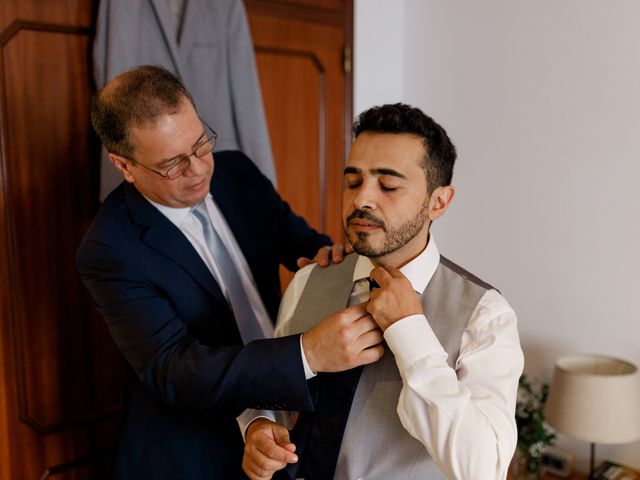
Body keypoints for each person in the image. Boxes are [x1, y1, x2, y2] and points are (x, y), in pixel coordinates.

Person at [76, 65, 383, 479]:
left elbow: (300, 242)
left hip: (288, 420)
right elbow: (175, 368)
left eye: (201, 143)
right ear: (124, 166)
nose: (199, 169)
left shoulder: (237, 171)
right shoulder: (108, 249)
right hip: (193, 449)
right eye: (172, 164)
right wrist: (306, 354)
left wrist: (326, 259)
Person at [241, 103, 524, 480]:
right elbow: (270, 384)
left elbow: (483, 468)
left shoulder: (485, 315)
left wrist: (410, 332)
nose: (361, 200)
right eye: (353, 181)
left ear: (438, 202)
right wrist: (259, 424)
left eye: (388, 184)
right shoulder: (311, 279)